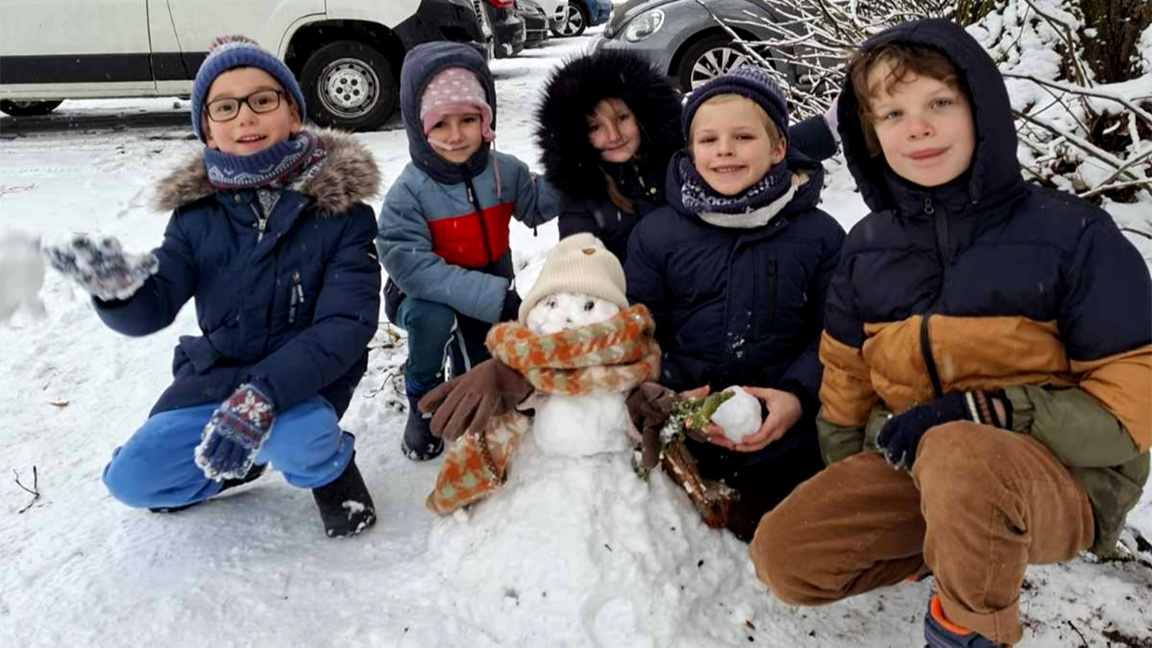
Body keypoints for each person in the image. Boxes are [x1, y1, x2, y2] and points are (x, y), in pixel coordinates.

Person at [749, 19, 1151, 648]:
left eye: (939, 103)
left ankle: (970, 631)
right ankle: (948, 544)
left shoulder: (1071, 235)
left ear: (980, 107)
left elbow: (1133, 406)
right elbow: (847, 383)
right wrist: (855, 477)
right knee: (786, 554)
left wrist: (995, 411)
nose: (918, 128)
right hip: (929, 472)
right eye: (893, 114)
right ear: (869, 134)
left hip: (1067, 478)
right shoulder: (867, 250)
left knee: (958, 449)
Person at [49, 35, 383, 538]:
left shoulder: (342, 213)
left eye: (262, 100)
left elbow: (345, 326)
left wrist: (262, 394)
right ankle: (236, 465)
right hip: (216, 376)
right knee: (131, 479)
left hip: (301, 383)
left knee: (299, 436)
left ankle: (331, 473)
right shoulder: (195, 216)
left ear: (293, 114)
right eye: (225, 107)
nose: (245, 117)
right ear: (208, 130)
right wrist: (119, 291)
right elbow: (156, 304)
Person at [621, 64, 846, 540]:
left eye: (743, 137)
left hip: (787, 428)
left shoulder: (821, 237)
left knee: (791, 532)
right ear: (691, 150)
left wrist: (798, 397)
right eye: (709, 140)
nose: (724, 149)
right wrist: (674, 397)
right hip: (684, 424)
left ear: (779, 148)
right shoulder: (656, 235)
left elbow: (834, 335)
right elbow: (641, 332)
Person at [377, 42, 560, 462]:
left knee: (484, 369)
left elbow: (536, 206)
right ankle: (422, 398)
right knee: (434, 320)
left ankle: (463, 383)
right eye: (440, 124)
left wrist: (566, 166)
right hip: (422, 297)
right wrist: (495, 296)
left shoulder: (504, 171)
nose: (456, 135)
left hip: (489, 289)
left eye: (468, 120)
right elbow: (413, 267)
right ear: (419, 126)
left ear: (486, 120)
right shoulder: (408, 193)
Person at [536, 49, 841, 264]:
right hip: (637, 311)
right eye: (595, 127)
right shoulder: (582, 199)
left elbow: (752, 151)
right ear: (576, 134)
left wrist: (826, 130)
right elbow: (580, 267)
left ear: (642, 113)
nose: (614, 135)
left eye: (622, 118)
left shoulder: (677, 158)